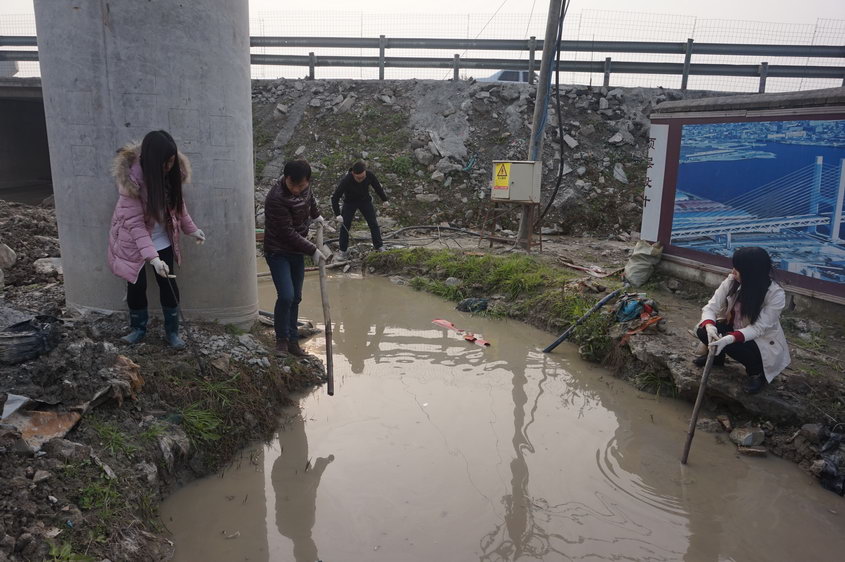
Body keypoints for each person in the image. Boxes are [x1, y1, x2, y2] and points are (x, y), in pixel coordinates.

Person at [107, 130, 205, 349]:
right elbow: (136, 226)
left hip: (162, 240)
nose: (169, 166)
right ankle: (138, 329)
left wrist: (192, 230)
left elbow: (179, 208)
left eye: (171, 161)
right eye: (165, 162)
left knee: (168, 284)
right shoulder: (131, 183)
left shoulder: (171, 175)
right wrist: (153, 259)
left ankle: (172, 332)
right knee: (136, 285)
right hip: (133, 243)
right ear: (152, 161)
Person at [694, 247, 790, 394]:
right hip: (735, 328)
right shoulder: (732, 281)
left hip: (760, 340)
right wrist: (710, 327)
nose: (733, 272)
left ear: (752, 272)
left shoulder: (775, 294)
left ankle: (756, 373)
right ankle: (716, 358)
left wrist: (728, 339)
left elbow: (758, 329)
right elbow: (710, 307)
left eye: (738, 269)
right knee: (702, 331)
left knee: (732, 344)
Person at [264, 159, 329, 356]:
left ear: (307, 181)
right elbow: (287, 233)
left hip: (296, 250)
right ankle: (281, 341)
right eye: (293, 184)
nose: (296, 189)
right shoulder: (276, 198)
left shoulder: (305, 188)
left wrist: (316, 215)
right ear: (286, 178)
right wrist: (313, 250)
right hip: (278, 251)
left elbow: (310, 200)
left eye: (301, 186)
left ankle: (293, 341)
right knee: (286, 295)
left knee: (296, 297)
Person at [331, 160, 389, 259]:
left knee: (373, 223)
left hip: (365, 201)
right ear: (353, 174)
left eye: (363, 177)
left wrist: (384, 199)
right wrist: (338, 214)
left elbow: (377, 187)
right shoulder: (347, 180)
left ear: (365, 172)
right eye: (358, 178)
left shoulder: (369, 175)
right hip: (350, 202)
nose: (361, 179)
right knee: (345, 225)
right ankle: (343, 250)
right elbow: (335, 197)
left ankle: (379, 246)